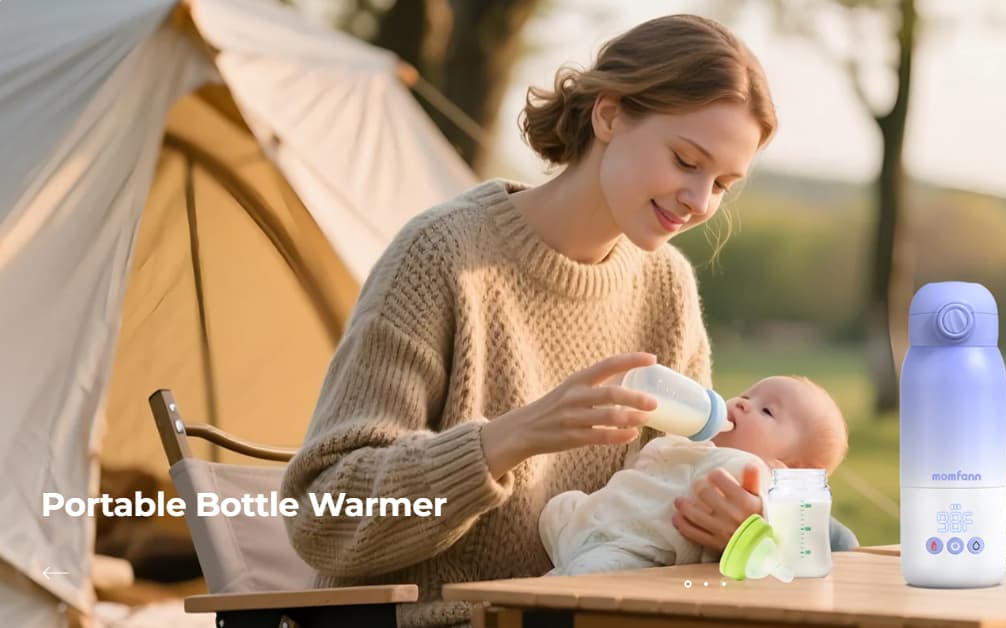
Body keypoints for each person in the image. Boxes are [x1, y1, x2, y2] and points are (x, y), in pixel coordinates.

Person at [280, 14, 853, 628]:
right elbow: (323, 515)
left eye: (722, 183)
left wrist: (738, 530)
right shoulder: (440, 257)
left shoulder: (667, 290)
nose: (699, 201)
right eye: (687, 160)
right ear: (608, 115)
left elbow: (669, 531)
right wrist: (507, 440)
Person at [540, 376, 848, 575]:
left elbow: (777, 516)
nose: (742, 403)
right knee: (560, 508)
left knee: (593, 571)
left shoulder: (750, 471)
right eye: (746, 394)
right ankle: (568, 548)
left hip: (638, 551)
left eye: (767, 411)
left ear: (789, 470)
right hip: (598, 517)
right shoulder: (694, 444)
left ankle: (563, 579)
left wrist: (764, 514)